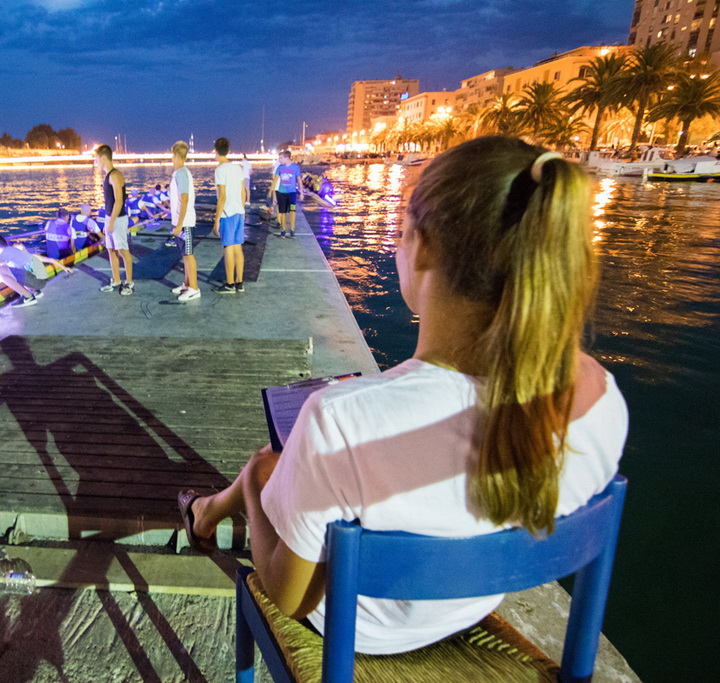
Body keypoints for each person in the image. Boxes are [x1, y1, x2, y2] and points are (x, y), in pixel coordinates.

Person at [178, 136, 628, 655]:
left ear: (426, 246)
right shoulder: (600, 395)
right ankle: (206, 511)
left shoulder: (341, 421)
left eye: (400, 233)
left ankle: (207, 513)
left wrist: (259, 483)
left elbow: (289, 597)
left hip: (365, 633)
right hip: (471, 607)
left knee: (264, 465)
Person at [0, 233, 71, 307]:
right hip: (38, 283)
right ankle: (34, 292)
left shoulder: (7, 253)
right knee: (0, 272)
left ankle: (28, 297)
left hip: (36, 282)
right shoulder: (17, 253)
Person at [96, 144, 135, 296]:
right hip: (110, 217)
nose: (96, 162)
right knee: (111, 250)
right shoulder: (108, 176)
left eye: (97, 159)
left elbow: (119, 200)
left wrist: (111, 222)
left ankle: (129, 282)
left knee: (123, 250)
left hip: (117, 219)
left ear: (103, 158)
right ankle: (116, 280)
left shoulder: (115, 175)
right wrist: (108, 221)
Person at [212, 137, 248, 293]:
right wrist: (242, 209)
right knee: (238, 248)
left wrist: (216, 220)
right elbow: (243, 191)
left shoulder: (220, 170)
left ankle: (229, 284)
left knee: (228, 248)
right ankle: (239, 283)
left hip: (227, 214)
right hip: (239, 212)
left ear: (216, 151)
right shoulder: (237, 168)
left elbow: (222, 197)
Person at [169, 140, 200, 302]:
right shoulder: (181, 173)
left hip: (185, 223)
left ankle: (194, 288)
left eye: (172, 156)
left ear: (176, 155)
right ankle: (187, 285)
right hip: (182, 221)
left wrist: (180, 224)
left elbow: (185, 198)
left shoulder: (181, 173)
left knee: (188, 255)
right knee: (185, 255)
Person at [270, 149, 303, 238]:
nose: (279, 160)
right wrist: (272, 192)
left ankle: (292, 230)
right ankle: (283, 230)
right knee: (282, 212)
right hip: (281, 193)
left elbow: (299, 180)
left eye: (281, 158)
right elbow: (275, 180)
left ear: (287, 158)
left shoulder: (295, 167)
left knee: (292, 211)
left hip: (292, 193)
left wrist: (301, 193)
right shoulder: (279, 167)